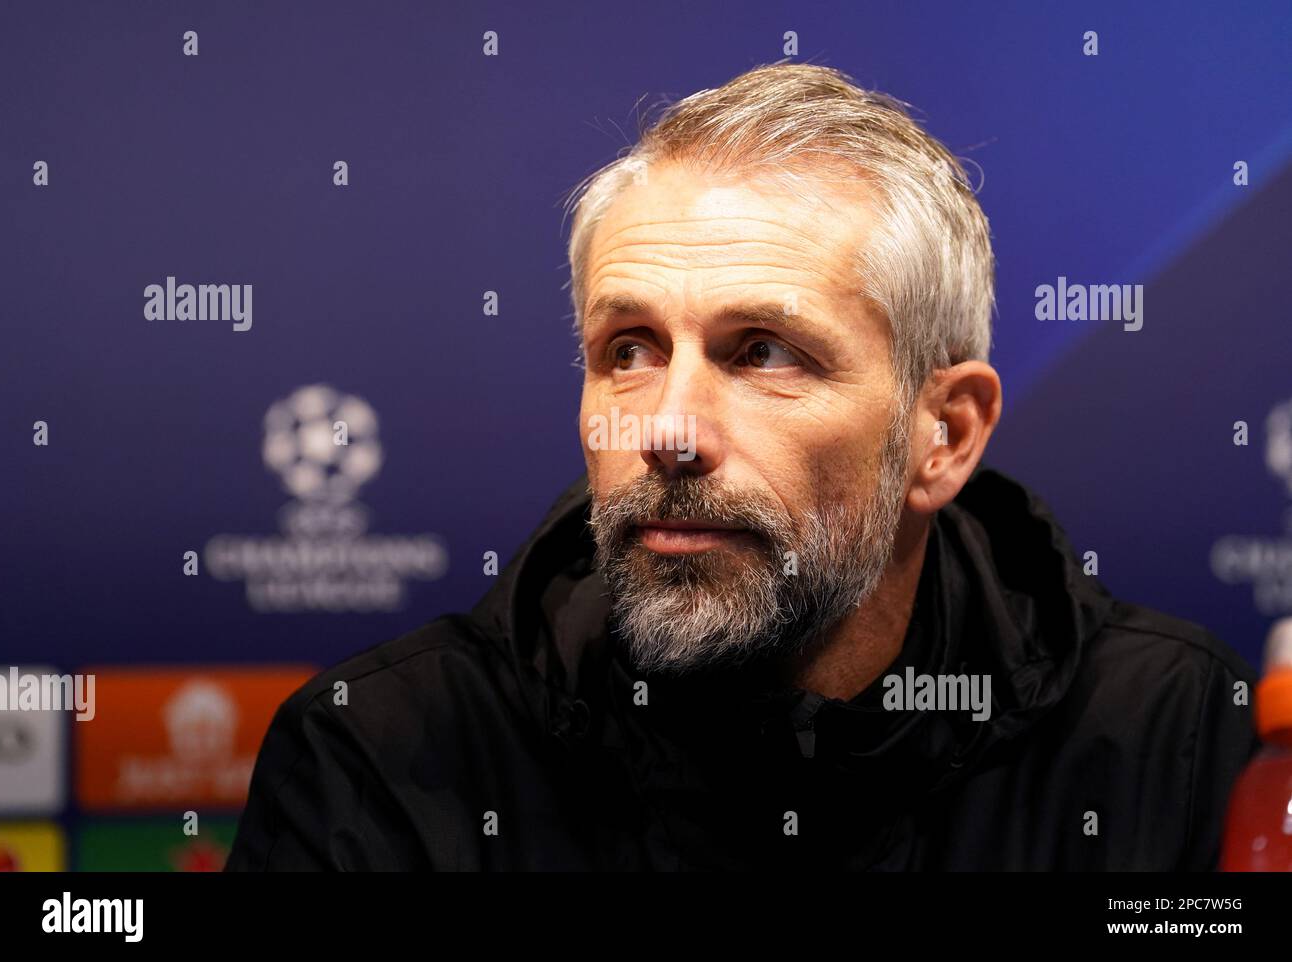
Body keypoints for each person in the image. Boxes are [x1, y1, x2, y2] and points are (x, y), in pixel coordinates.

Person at [226, 63, 1258, 871]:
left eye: (763, 352)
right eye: (628, 349)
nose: (668, 429)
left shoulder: (1168, 734)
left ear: (942, 434)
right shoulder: (382, 754)